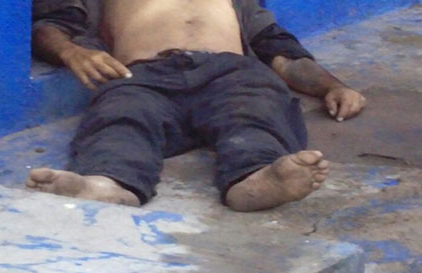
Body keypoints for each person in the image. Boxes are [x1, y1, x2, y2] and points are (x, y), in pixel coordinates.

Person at [26, 0, 366, 211]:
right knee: (122, 118)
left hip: (230, 70)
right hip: (144, 73)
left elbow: (278, 51)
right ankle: (107, 183)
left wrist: (332, 86)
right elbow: (50, 26)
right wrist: (71, 52)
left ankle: (255, 179)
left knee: (255, 111)